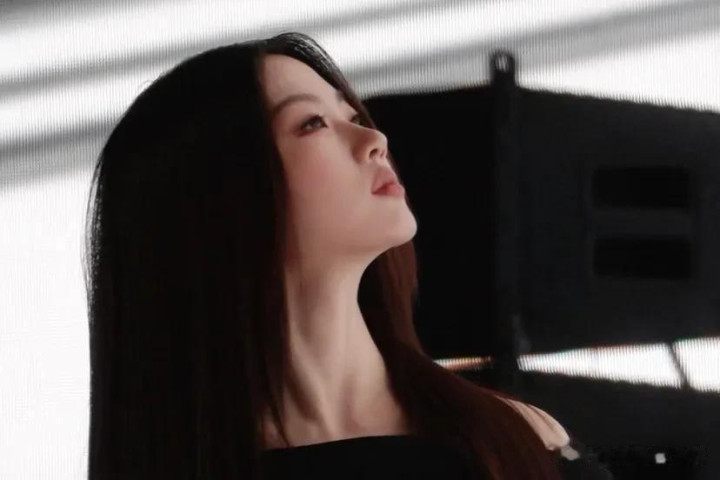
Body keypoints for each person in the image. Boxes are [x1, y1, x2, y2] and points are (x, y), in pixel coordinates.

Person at [83, 31, 614, 479]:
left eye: (352, 113)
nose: (373, 138)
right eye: (312, 123)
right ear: (218, 201)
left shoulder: (519, 437)